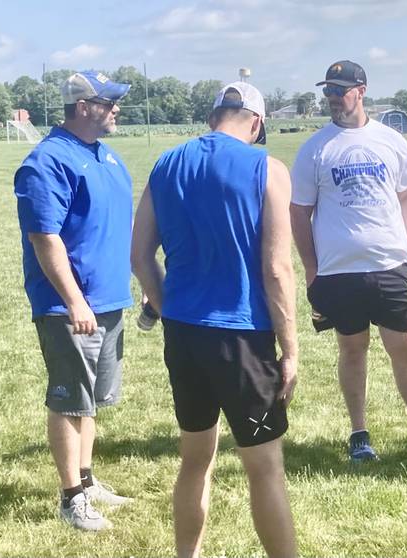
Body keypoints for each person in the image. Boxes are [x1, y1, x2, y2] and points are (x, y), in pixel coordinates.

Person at [131, 82, 298, 558]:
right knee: (264, 466)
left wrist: (168, 309)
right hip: (242, 337)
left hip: (183, 333)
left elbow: (140, 254)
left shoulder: (167, 164)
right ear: (257, 122)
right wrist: (291, 348)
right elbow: (276, 268)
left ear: (212, 117)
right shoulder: (267, 168)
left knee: (195, 459)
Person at [290, 60, 407, 461]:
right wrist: (312, 268)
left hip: (390, 264)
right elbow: (299, 212)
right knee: (352, 349)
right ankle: (359, 434)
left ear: (361, 91)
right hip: (340, 270)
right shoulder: (316, 147)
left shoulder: (390, 140)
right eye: (328, 90)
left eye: (340, 90)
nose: (332, 98)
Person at [14, 71, 134, 531]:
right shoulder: (46, 162)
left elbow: (122, 230)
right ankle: (71, 499)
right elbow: (45, 238)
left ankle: (86, 480)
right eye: (109, 103)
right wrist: (74, 301)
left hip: (108, 301)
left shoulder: (108, 158)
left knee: (92, 400)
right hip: (70, 307)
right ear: (83, 107)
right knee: (68, 400)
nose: (116, 110)